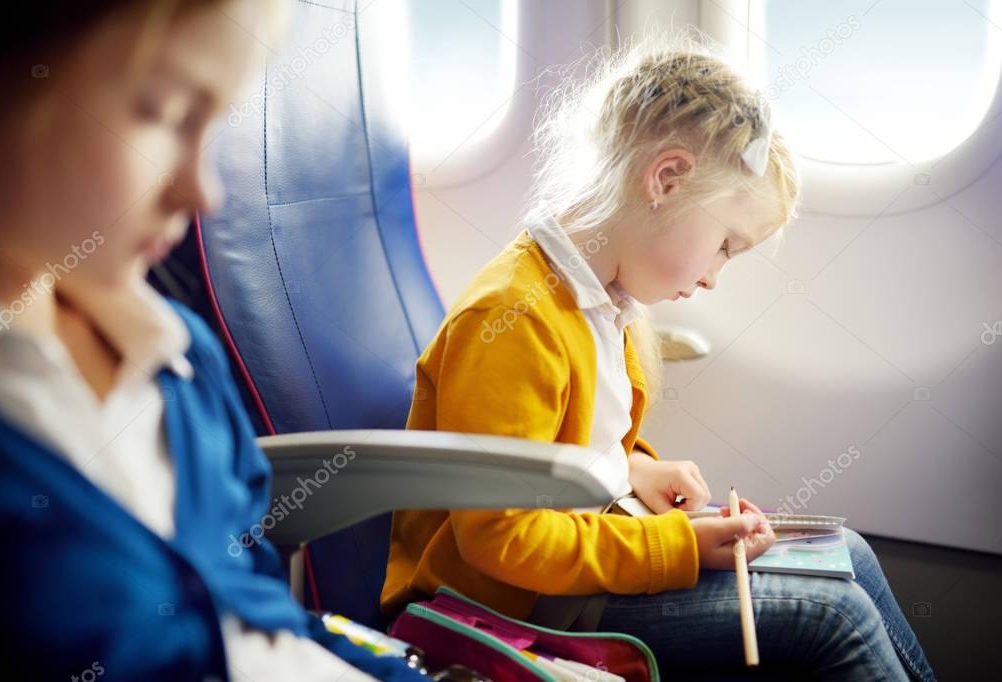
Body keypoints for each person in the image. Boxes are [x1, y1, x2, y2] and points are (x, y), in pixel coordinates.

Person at [381, 36, 936, 681]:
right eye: (725, 245)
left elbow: (574, 446)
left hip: (568, 574)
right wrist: (677, 547)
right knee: (832, 615)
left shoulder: (602, 301)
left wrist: (635, 467)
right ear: (666, 179)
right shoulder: (515, 318)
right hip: (505, 606)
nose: (713, 278)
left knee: (848, 553)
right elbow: (502, 538)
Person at [0, 2, 425, 679]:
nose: (204, 191)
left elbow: (264, 622)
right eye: (162, 112)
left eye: (214, 127)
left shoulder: (176, 354)